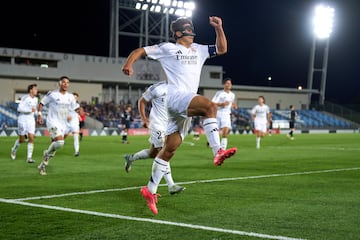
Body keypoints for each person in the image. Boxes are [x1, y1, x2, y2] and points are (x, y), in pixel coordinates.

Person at [122, 16, 237, 215]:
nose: (192, 31)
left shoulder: (199, 49)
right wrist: (129, 64)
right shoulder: (167, 48)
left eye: (192, 28)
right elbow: (139, 50)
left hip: (184, 104)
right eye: (187, 28)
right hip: (176, 97)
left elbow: (222, 49)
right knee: (210, 107)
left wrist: (219, 28)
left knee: (169, 150)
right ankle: (218, 150)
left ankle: (150, 190)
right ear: (178, 33)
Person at [124, 81, 184, 195]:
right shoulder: (157, 88)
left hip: (168, 126)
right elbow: (142, 101)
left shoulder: (179, 88)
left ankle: (131, 158)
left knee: (152, 153)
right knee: (163, 151)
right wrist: (144, 120)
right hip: (157, 124)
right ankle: (171, 185)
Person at [37, 76, 77, 175]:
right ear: (59, 83)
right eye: (63, 82)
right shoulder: (53, 94)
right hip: (52, 122)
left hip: (63, 124)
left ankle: (42, 165)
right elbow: (42, 103)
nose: (65, 84)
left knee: (55, 146)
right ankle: (46, 154)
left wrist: (74, 116)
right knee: (59, 142)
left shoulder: (71, 97)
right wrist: (39, 114)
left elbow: (74, 108)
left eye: (67, 82)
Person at [10, 83, 39, 163]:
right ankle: (14, 150)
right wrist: (30, 110)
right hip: (22, 119)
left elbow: (34, 110)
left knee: (31, 137)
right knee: (21, 140)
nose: (37, 90)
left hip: (31, 120)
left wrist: (39, 115)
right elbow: (19, 109)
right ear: (31, 90)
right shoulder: (25, 98)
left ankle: (29, 158)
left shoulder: (36, 99)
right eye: (35, 89)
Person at [211, 77, 237, 149]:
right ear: (224, 84)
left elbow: (231, 103)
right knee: (215, 132)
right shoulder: (219, 93)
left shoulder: (232, 95)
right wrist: (222, 104)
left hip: (226, 114)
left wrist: (234, 105)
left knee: (225, 132)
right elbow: (213, 103)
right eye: (227, 83)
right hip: (218, 114)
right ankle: (211, 142)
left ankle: (222, 150)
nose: (229, 85)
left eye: (230, 83)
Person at [64, 92, 81, 156]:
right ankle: (56, 142)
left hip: (74, 122)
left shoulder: (77, 105)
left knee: (76, 136)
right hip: (67, 122)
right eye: (74, 97)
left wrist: (78, 116)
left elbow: (76, 110)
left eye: (76, 97)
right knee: (63, 136)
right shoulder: (66, 104)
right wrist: (66, 116)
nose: (74, 98)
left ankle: (77, 151)